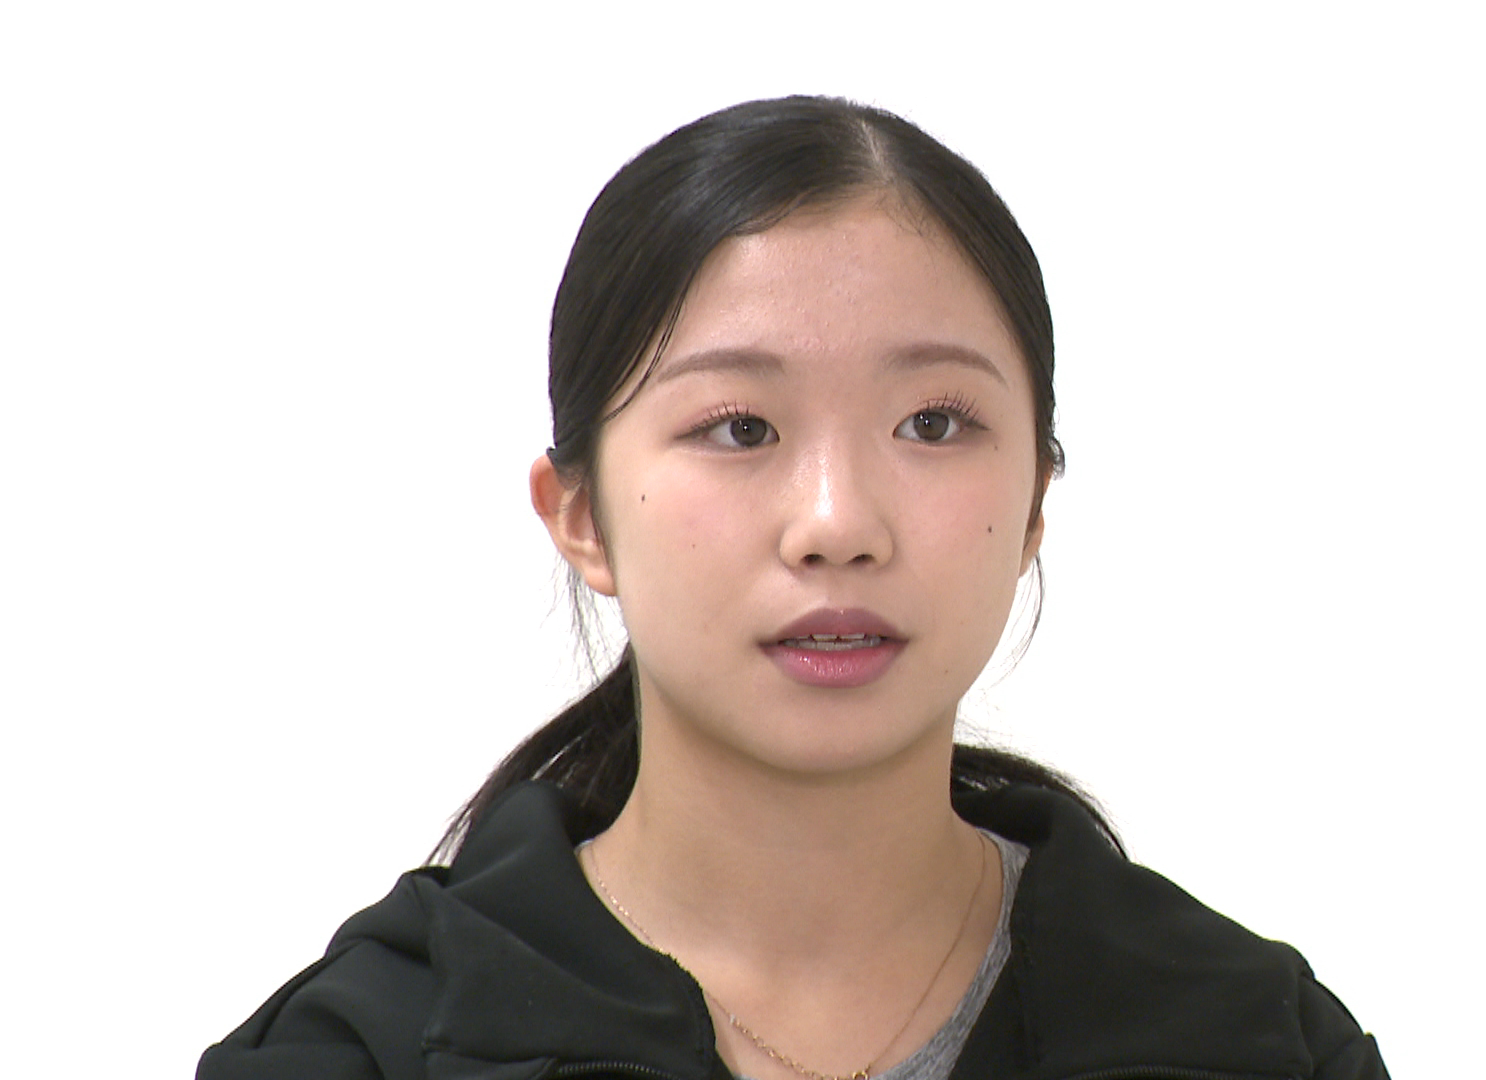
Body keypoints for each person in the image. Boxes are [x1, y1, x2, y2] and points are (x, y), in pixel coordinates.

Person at [198, 95, 1389, 1080]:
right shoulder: (360, 1050)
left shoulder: (1255, 1041)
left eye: (932, 423)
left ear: (1033, 503)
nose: (838, 524)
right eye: (739, 427)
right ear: (582, 516)